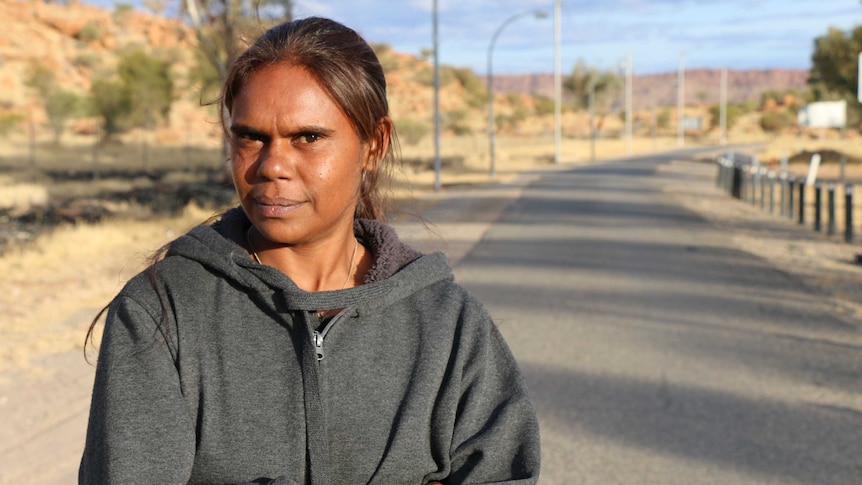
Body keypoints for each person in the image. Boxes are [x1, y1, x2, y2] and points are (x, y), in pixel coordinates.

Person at [79, 16, 540, 485]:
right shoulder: (163, 313)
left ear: (373, 145)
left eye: (309, 138)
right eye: (250, 137)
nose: (272, 165)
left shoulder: (446, 323)